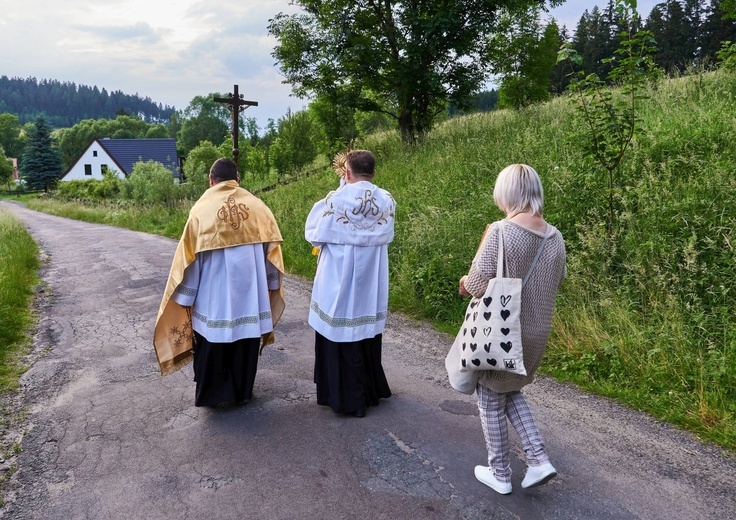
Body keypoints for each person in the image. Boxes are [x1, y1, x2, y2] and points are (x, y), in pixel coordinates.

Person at [458, 164, 566, 494]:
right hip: (536, 332)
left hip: (502, 332)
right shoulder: (555, 236)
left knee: (490, 397)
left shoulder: (501, 232)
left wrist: (464, 282)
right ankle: (538, 459)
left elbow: (476, 284)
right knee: (509, 388)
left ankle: (500, 473)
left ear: (505, 193)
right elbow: (557, 280)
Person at [153, 158, 285, 407]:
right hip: (249, 295)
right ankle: (242, 392)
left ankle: (215, 397)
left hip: (214, 296)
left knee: (214, 340)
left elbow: (189, 260)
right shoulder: (258, 207)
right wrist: (268, 284)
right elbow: (271, 254)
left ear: (211, 180)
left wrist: (186, 296)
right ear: (238, 180)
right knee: (245, 339)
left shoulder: (201, 210)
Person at [305, 149, 395, 418]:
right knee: (365, 331)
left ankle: (345, 397)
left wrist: (339, 189)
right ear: (374, 172)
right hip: (371, 280)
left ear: (346, 172)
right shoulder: (387, 200)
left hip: (340, 279)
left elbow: (313, 234)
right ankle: (370, 388)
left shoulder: (335, 200)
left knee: (339, 329)